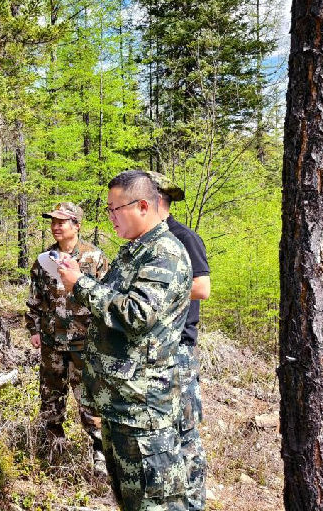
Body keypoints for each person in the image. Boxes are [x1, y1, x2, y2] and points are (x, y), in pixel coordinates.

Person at [57, 171, 192, 511]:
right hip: (120, 406)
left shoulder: (164, 253)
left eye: (116, 209)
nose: (111, 217)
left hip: (144, 411)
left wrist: (80, 284)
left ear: (143, 206)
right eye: (108, 209)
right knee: (130, 501)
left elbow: (136, 313)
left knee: (155, 504)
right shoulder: (134, 251)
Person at [25, 202, 109, 474]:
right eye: (53, 222)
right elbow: (35, 298)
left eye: (62, 222)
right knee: (50, 396)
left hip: (85, 344)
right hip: (52, 342)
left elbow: (107, 300)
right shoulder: (44, 260)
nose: (56, 226)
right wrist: (34, 329)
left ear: (77, 225)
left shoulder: (94, 258)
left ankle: (100, 453)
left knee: (90, 399)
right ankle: (53, 448)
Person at [146, 171, 210, 511]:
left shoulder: (184, 237)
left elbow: (202, 287)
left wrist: (154, 292)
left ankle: (193, 502)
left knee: (185, 433)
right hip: (152, 350)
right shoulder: (144, 242)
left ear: (156, 201)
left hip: (178, 349)